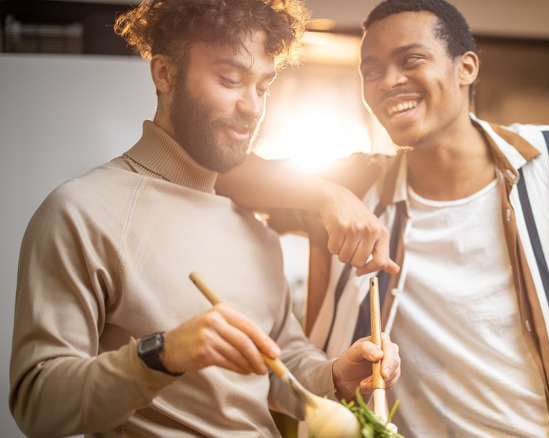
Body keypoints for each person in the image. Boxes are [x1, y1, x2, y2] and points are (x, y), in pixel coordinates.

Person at [216, 0, 549, 437]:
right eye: (370, 71)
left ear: (466, 68)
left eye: (411, 59)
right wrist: (324, 193)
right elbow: (222, 169)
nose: (387, 81)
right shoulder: (357, 187)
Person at [8, 0, 401, 436]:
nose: (253, 107)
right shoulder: (81, 211)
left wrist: (334, 376)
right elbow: (37, 404)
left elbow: (280, 363)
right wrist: (163, 354)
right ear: (165, 73)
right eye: (230, 79)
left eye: (263, 87)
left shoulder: (255, 229)